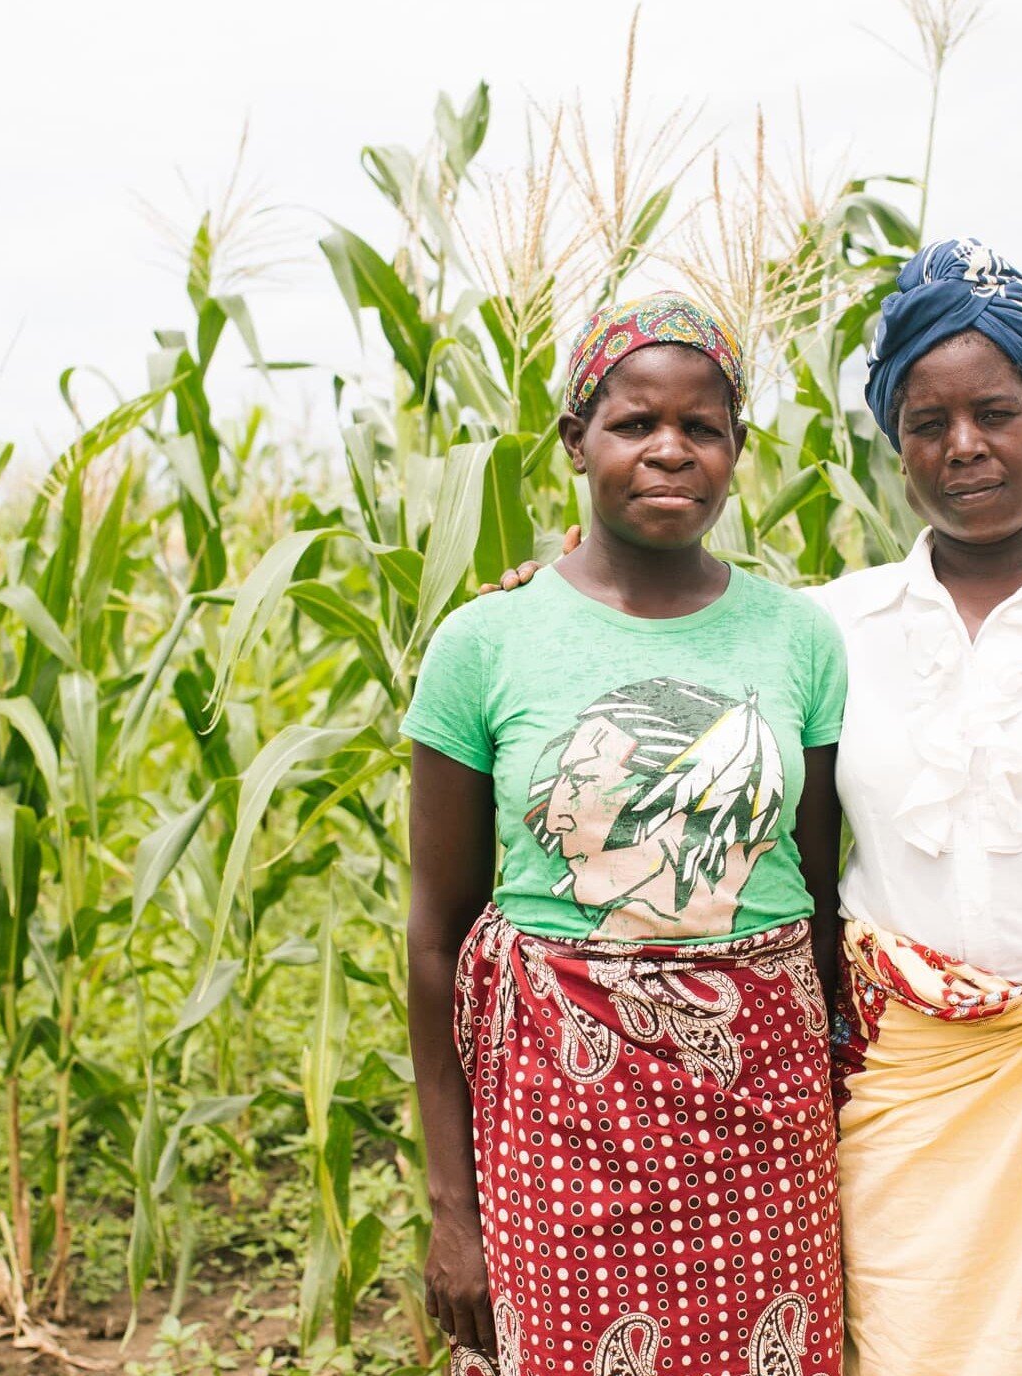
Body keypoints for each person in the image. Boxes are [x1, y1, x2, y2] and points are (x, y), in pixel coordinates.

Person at [488, 239, 1022, 1375]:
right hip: (899, 1076)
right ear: (892, 441)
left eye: (994, 412)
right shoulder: (827, 628)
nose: (962, 446)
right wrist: (548, 583)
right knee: (904, 1340)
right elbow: (663, 611)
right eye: (923, 420)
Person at [402, 292, 850, 1376]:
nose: (669, 450)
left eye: (701, 428)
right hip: (558, 1119)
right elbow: (434, 934)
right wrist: (452, 1210)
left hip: (762, 1113)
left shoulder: (799, 636)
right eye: (634, 423)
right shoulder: (484, 642)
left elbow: (824, 899)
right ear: (573, 441)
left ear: (737, 451)